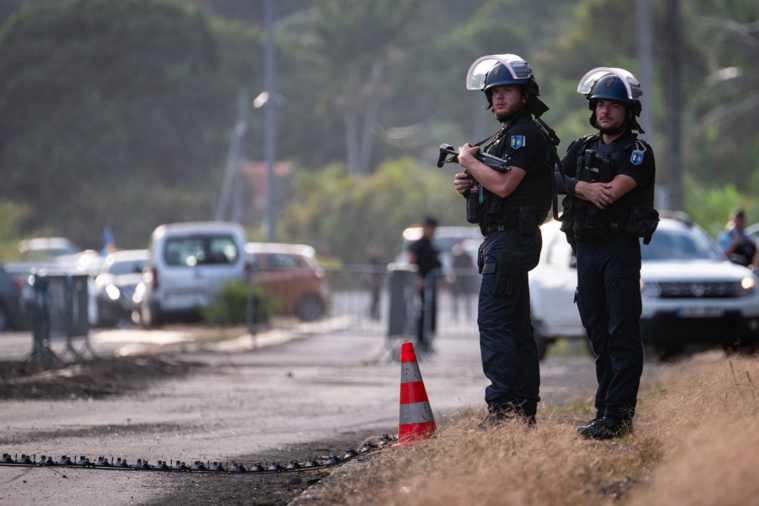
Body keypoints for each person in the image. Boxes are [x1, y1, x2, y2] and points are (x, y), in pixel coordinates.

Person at [452, 54, 555, 425]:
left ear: (525, 94)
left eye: (506, 90)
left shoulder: (524, 132)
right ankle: (522, 411)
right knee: (515, 327)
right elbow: (493, 186)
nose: (497, 97)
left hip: (511, 241)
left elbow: (504, 183)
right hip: (506, 239)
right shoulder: (508, 134)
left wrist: (468, 161)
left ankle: (502, 411)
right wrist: (469, 183)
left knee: (494, 324)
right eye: (493, 91)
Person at [556, 67, 659, 440]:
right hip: (585, 249)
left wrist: (580, 187)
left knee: (621, 333)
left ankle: (619, 417)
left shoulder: (637, 152)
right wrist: (581, 187)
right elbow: (553, 177)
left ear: (629, 111)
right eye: (599, 104)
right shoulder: (581, 147)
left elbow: (611, 192)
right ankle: (604, 413)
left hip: (619, 250)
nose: (604, 111)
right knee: (598, 333)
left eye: (613, 105)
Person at [407, 217, 442, 353]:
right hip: (421, 284)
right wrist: (417, 280)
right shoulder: (418, 244)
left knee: (430, 313)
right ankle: (420, 341)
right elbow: (411, 261)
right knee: (421, 313)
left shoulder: (431, 244)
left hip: (431, 285)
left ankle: (427, 341)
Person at [450, 240, 476, 321]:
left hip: (465, 280)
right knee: (456, 300)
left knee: (467, 299)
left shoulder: (467, 256)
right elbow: (452, 266)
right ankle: (456, 315)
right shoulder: (456, 256)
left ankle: (468, 315)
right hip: (459, 280)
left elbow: (471, 266)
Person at [365, 243, 384, 320]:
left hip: (379, 281)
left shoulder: (380, 259)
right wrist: (372, 279)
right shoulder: (371, 258)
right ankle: (372, 312)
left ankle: (377, 313)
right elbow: (368, 269)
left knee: (378, 298)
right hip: (374, 281)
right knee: (374, 297)